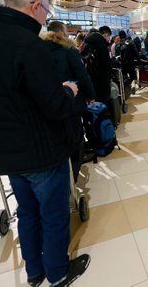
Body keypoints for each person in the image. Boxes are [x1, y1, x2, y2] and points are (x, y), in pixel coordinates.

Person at [0, 0, 90, 287]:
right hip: (39, 150)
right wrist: (69, 90)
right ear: (34, 5)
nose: (46, 18)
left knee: (26, 212)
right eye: (46, 10)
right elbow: (55, 106)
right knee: (53, 214)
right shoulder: (28, 46)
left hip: (2, 151)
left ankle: (34, 272)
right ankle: (57, 272)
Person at [41, 21, 96, 181]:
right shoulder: (68, 49)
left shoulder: (38, 48)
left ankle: (61, 171)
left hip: (47, 102)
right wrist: (90, 94)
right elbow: (82, 74)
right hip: (70, 98)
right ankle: (74, 172)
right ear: (60, 32)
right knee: (75, 134)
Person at [83, 25, 112, 103]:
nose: (108, 39)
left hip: (91, 77)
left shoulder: (87, 42)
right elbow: (106, 64)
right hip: (102, 79)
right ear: (105, 35)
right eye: (108, 36)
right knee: (102, 101)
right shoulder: (101, 44)